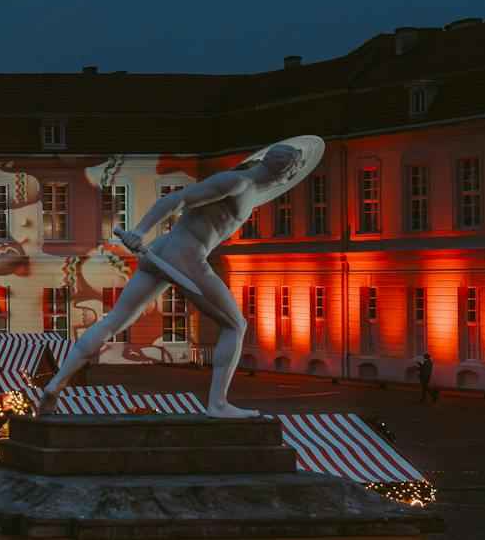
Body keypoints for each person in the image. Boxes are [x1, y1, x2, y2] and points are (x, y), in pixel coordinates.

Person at [37, 139, 321, 417]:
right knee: (235, 325)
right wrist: (139, 231)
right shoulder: (238, 183)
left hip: (163, 250)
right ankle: (218, 404)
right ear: (282, 172)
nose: (288, 181)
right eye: (291, 175)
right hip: (187, 255)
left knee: (115, 321)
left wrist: (143, 234)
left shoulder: (247, 186)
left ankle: (55, 384)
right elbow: (177, 199)